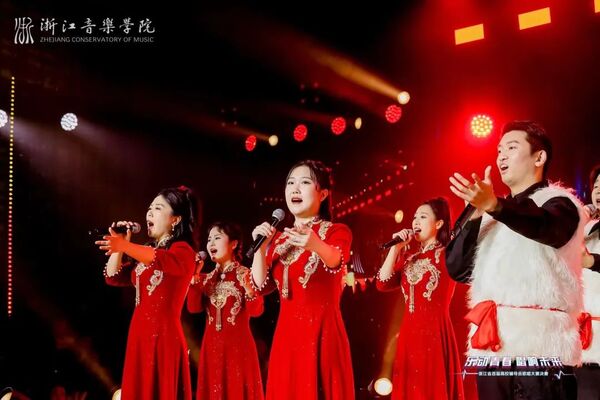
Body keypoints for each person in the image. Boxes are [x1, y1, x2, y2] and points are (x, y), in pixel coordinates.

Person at [446, 121, 586, 399]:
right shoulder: (491, 215)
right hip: (492, 348)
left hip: (542, 348)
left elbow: (547, 228)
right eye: (499, 151)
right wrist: (475, 216)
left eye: (511, 148)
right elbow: (457, 268)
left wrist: (495, 205)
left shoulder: (560, 202)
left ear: (539, 157)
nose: (501, 157)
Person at [250, 160, 354, 400]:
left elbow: (336, 260)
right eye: (290, 183)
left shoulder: (336, 231)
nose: (295, 189)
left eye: (305, 182)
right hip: (286, 338)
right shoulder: (278, 240)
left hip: (322, 334)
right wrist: (260, 248)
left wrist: (316, 244)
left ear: (323, 194)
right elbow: (260, 286)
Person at [96, 186, 198, 400]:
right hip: (139, 335)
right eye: (149, 208)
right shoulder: (145, 253)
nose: (149, 212)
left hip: (163, 337)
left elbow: (158, 258)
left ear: (175, 219)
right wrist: (121, 244)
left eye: (158, 208)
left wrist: (125, 246)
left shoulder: (183, 251)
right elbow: (112, 276)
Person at [376, 197, 464, 400]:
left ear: (439, 223)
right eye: (414, 217)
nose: (415, 221)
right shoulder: (409, 259)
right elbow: (382, 283)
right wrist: (395, 249)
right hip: (408, 336)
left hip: (435, 334)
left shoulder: (447, 254)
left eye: (423, 217)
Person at [187, 221, 264, 400]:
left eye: (217, 238)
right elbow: (193, 308)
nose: (211, 243)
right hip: (211, 350)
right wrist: (194, 279)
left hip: (239, 350)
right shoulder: (205, 279)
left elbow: (257, 311)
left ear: (234, 243)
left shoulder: (246, 274)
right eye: (209, 239)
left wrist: (250, 290)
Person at [577, 165, 600, 399]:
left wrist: (592, 261)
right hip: (585, 338)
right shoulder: (585, 227)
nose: (599, 191)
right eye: (596, 186)